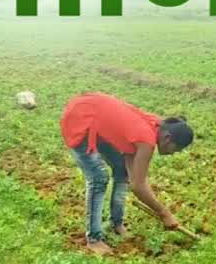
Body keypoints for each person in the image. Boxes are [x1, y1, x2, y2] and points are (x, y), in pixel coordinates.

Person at [60, 92, 194, 256]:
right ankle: (94, 239)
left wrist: (154, 203)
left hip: (96, 117)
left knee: (122, 170)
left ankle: (116, 223)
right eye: (176, 149)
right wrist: (164, 213)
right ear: (167, 138)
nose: (174, 153)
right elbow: (138, 186)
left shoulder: (156, 127)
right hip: (80, 118)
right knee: (98, 178)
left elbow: (134, 179)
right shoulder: (147, 140)